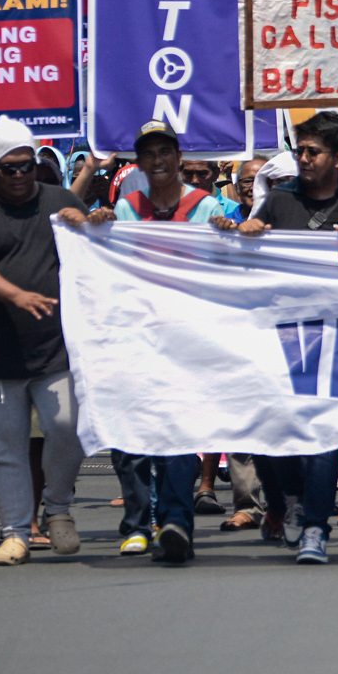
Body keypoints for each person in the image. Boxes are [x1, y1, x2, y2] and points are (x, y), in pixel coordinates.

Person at [213, 111, 338, 565]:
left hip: (336, 340)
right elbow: (251, 255)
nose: (303, 158)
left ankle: (315, 527)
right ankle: (287, 499)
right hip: (279, 337)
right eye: (300, 150)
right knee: (274, 433)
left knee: (323, 434)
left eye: (313, 151)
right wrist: (242, 234)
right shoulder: (279, 202)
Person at [71, 121, 218, 563]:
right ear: (140, 161)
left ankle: (175, 522)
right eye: (148, 154)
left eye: (164, 152)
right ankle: (136, 524)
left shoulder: (207, 208)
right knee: (130, 434)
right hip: (134, 339)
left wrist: (233, 235)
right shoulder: (126, 209)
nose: (157, 161)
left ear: (178, 156)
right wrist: (97, 227)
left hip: (186, 342)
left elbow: (225, 266)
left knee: (179, 433)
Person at [0, 117, 91, 567]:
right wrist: (15, 295)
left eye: (26, 166)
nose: (20, 176)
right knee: (3, 449)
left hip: (56, 352)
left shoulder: (60, 200)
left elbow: (97, 253)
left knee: (67, 427)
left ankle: (59, 509)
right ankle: (13, 533)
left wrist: (86, 222)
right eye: (9, 168)